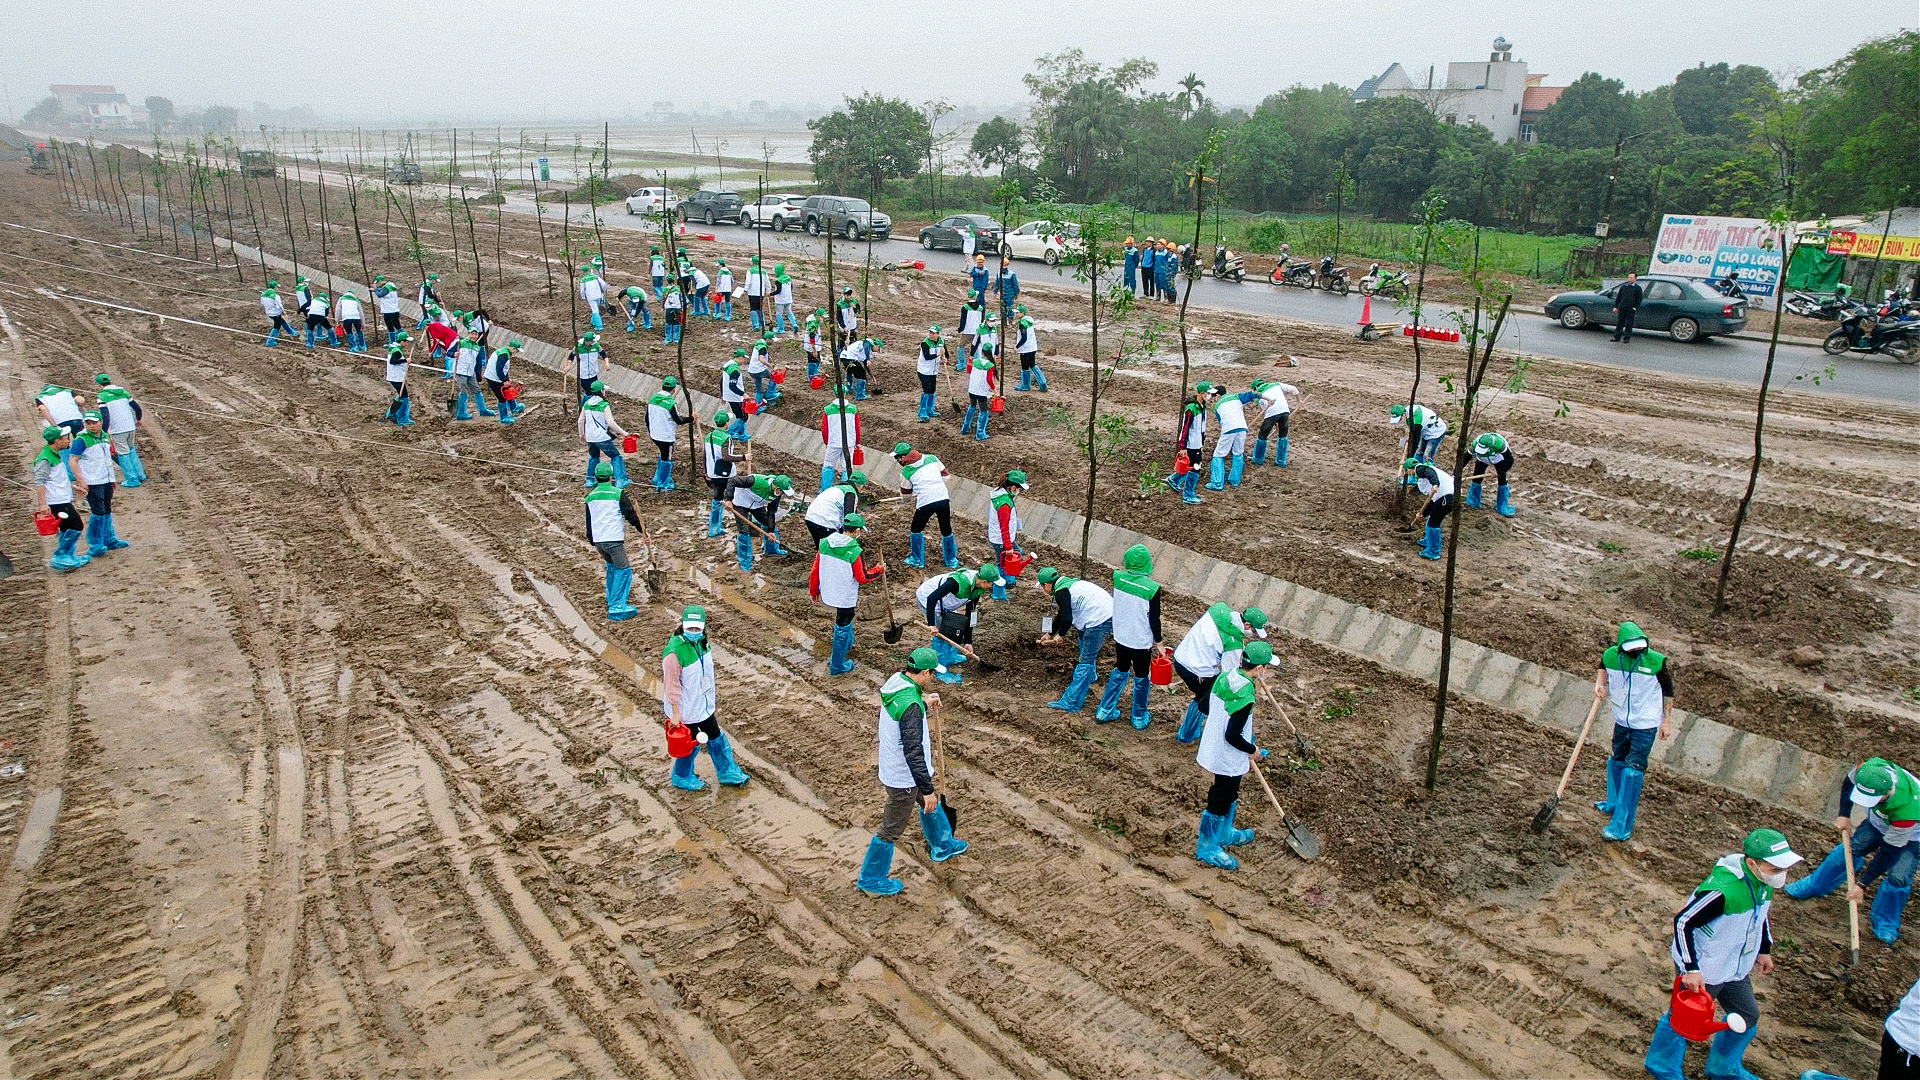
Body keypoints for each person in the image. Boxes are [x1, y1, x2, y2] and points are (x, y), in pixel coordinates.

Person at [1643, 829, 1800, 1080]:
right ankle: (1661, 1066)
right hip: (1706, 968)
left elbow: (1759, 916)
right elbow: (1683, 922)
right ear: (1752, 863)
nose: (1782, 874)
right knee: (1684, 1018)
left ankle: (1723, 1068)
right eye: (1775, 868)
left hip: (1735, 966)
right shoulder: (1723, 891)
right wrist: (1691, 969)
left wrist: (1764, 949)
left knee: (1747, 1015)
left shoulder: (1762, 883)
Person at [857, 647, 966, 895]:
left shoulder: (897, 682)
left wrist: (924, 703)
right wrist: (927, 789)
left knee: (930, 804)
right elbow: (913, 751)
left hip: (899, 768)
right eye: (932, 673)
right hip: (903, 777)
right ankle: (871, 879)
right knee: (891, 829)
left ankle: (942, 844)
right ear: (925, 672)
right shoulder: (911, 706)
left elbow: (906, 714)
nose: (932, 678)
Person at [1785, 757, 1918, 944]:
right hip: (1878, 822)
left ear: (1887, 792)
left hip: (1912, 835)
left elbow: (1889, 853)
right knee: (1853, 848)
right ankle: (1815, 885)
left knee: (1899, 876)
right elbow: (1848, 783)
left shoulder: (1907, 809)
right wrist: (1844, 814)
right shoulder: (1867, 771)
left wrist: (1862, 885)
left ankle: (1885, 922)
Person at [1194, 640, 1280, 869]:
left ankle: (1224, 833)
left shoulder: (1226, 676)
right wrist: (1252, 750)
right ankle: (1207, 847)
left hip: (1214, 746)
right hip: (1227, 755)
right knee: (1220, 798)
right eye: (1266, 667)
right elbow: (1232, 735)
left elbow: (1204, 706)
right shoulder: (1245, 695)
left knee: (1230, 792)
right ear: (1259, 669)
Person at [1591, 620, 1675, 842]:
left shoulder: (1656, 661)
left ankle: (1622, 825)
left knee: (1633, 769)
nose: (1636, 651)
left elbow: (1668, 691)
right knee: (1617, 760)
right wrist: (1600, 683)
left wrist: (1666, 721)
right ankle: (1613, 803)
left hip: (1645, 724)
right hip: (1622, 719)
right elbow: (1602, 665)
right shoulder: (1611, 655)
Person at [660, 605, 751, 790]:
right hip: (685, 709)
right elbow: (671, 685)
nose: (694, 632)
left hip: (703, 703)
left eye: (697, 628)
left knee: (715, 735)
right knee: (689, 742)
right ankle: (681, 776)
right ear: (683, 625)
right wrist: (676, 713)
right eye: (690, 628)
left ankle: (726, 771)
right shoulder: (674, 652)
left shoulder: (703, 642)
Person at [1094, 544, 1165, 729]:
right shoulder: (1152, 588)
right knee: (1141, 676)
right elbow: (1154, 618)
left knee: (1121, 668)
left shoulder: (1118, 578)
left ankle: (1104, 710)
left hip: (1121, 636)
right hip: (1140, 641)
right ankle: (1139, 717)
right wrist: (1158, 641)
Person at [1173, 603, 1267, 743]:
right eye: (1254, 631)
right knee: (1211, 701)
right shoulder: (1233, 644)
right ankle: (1188, 735)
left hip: (1181, 659)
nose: (1253, 634)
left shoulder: (1218, 609)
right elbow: (1231, 675)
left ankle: (1186, 734)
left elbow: (1228, 632)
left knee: (1201, 696)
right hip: (1198, 672)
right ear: (1247, 625)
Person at [812, 513, 887, 676]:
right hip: (845, 595)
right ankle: (837, 665)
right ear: (857, 530)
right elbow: (862, 577)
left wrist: (814, 589)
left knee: (843, 622)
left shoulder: (825, 543)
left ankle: (847, 644)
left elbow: (815, 569)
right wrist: (879, 570)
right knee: (843, 623)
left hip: (829, 590)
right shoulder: (854, 550)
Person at [1038, 566, 1115, 712]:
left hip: (1099, 618)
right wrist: (1049, 633)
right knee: (1083, 638)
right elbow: (1062, 614)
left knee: (1086, 659)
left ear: (1047, 584)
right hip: (1102, 611)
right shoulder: (1066, 584)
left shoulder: (1061, 592)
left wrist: (1059, 636)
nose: (1043, 590)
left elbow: (1067, 618)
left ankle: (1072, 702)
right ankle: (1091, 675)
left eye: (1042, 587)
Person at [916, 563, 1001, 685]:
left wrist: (968, 641)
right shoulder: (956, 582)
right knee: (943, 636)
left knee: (955, 628)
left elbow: (970, 613)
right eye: (992, 583)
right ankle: (939, 668)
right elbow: (931, 598)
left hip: (945, 603)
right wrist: (932, 624)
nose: (992, 586)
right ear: (984, 581)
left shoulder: (978, 588)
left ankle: (950, 656)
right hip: (928, 600)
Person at [584, 462, 642, 620]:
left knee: (612, 567)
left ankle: (611, 598)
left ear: (595, 478)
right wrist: (642, 530)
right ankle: (616, 607)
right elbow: (630, 514)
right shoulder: (618, 493)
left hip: (599, 541)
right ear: (611, 477)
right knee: (623, 570)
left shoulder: (590, 497)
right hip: (613, 540)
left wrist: (592, 539)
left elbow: (589, 521)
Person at [33, 426, 89, 572]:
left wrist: (73, 487)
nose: (68, 440)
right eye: (65, 438)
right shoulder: (45, 458)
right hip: (57, 502)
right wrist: (43, 504)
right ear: (57, 441)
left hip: (62, 499)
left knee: (66, 528)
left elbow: (56, 478)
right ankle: (61, 556)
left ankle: (69, 556)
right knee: (76, 525)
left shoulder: (53, 454)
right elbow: (40, 482)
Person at [895, 443, 958, 569]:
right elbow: (946, 476)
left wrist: (911, 495)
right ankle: (951, 560)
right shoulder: (932, 458)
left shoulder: (906, 472)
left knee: (916, 529)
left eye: (897, 459)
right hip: (943, 497)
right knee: (946, 528)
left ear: (903, 458)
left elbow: (906, 495)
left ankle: (917, 559)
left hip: (926, 501)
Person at [73, 412, 127, 556]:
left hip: (105, 480)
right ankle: (95, 544)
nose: (92, 426)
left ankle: (109, 539)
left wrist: (112, 479)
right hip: (93, 481)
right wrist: (81, 480)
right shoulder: (81, 440)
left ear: (101, 422)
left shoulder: (104, 436)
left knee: (107, 510)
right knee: (98, 512)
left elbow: (107, 459)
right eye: (88, 423)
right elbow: (73, 460)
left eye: (94, 422)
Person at [725, 473, 792, 571]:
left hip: (757, 505)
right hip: (740, 503)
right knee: (743, 530)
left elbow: (771, 512)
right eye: (782, 491)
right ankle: (744, 561)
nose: (782, 494)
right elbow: (732, 480)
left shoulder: (776, 494)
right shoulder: (755, 481)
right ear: (776, 487)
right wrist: (729, 500)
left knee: (768, 524)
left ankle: (771, 550)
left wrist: (771, 530)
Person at [94, 373, 147, 487]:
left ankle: (132, 480)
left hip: (117, 429)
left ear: (99, 385)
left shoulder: (102, 396)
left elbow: (105, 416)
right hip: (130, 426)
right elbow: (137, 408)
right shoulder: (123, 392)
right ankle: (140, 475)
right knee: (131, 449)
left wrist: (104, 430)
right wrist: (138, 419)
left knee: (123, 453)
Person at [984, 469, 1028, 600]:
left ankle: (1009, 581)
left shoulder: (1002, 494)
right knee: (1003, 565)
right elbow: (1004, 527)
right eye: (1019, 489)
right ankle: (999, 592)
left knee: (1017, 552)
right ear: (1013, 487)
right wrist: (1008, 547)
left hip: (1001, 537)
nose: (1019, 491)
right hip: (1001, 539)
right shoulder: (1004, 503)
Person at [577, 380, 630, 488]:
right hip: (601, 437)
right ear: (601, 391)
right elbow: (610, 423)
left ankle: (589, 480)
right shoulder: (604, 405)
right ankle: (620, 480)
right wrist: (624, 433)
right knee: (615, 456)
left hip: (590, 437)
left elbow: (580, 421)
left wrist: (581, 435)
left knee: (594, 457)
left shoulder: (587, 404)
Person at [1404, 456, 1456, 561]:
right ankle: (1428, 540)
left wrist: (1435, 484)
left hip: (1447, 498)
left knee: (1434, 523)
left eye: (1406, 471)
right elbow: (1432, 501)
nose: (1407, 473)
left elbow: (1429, 472)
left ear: (1409, 469)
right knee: (1431, 517)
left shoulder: (1420, 469)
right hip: (1447, 497)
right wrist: (1423, 514)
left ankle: (1433, 551)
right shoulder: (1422, 476)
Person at [702, 410, 743, 538]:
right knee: (735, 497)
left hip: (713, 472)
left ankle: (713, 528)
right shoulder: (726, 438)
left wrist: (705, 470)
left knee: (717, 499)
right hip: (726, 474)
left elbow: (705, 454)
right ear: (726, 423)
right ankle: (743, 526)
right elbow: (727, 457)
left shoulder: (709, 436)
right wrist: (744, 457)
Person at [1169, 382, 1212, 505]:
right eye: (1208, 393)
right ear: (1202, 393)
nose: (1210, 396)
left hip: (1197, 444)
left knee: (1193, 466)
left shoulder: (1202, 407)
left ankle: (1174, 480)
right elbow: (1185, 428)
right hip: (1191, 445)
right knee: (1195, 468)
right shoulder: (1191, 409)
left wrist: (1201, 443)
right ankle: (1188, 495)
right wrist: (1182, 447)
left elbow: (1201, 428)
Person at [644, 377, 688, 493]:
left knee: (663, 454)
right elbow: (678, 420)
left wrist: (651, 430)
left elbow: (646, 418)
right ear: (674, 389)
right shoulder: (671, 403)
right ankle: (662, 484)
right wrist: (691, 418)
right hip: (666, 437)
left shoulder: (653, 398)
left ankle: (657, 478)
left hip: (654, 434)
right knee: (667, 458)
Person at [1205, 384, 1251, 491]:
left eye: (1213, 396)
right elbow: (1251, 395)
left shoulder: (1217, 406)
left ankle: (1217, 483)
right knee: (1238, 453)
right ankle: (1235, 480)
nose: (1213, 399)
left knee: (1218, 454)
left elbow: (1221, 422)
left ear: (1217, 395)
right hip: (1242, 428)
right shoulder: (1236, 396)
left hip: (1229, 430)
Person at [804, 470, 867, 546]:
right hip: (825, 522)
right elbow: (849, 518)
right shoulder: (851, 493)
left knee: (822, 547)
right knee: (833, 548)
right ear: (861, 486)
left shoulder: (837, 487)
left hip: (810, 517)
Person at [1463, 432, 1517, 517]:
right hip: (1482, 459)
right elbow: (1465, 458)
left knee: (1502, 479)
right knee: (1477, 477)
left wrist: (1500, 472)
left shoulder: (1500, 444)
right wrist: (1456, 472)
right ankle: (1473, 501)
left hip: (1498, 459)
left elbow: (1510, 460)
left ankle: (1501, 506)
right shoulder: (1474, 445)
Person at [1249, 379, 1297, 467]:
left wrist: (1274, 423)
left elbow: (1266, 410)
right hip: (1285, 411)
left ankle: (1258, 459)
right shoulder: (1276, 384)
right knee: (1283, 436)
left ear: (1255, 388)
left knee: (1262, 436)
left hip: (1271, 413)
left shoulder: (1258, 396)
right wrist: (1299, 401)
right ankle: (1281, 461)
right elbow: (1294, 389)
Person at [819, 387, 860, 491]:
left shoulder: (828, 409)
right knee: (847, 467)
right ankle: (845, 490)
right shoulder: (853, 409)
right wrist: (857, 441)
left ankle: (825, 489)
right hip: (849, 442)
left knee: (828, 465)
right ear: (845, 394)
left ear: (834, 393)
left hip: (833, 442)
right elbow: (857, 426)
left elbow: (824, 428)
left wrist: (826, 442)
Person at [960, 339, 996, 443]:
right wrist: (994, 390)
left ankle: (965, 428)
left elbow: (969, 370)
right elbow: (989, 380)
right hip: (981, 391)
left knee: (972, 407)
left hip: (972, 389)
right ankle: (980, 433)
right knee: (983, 411)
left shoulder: (975, 361)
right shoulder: (990, 365)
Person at [451, 330, 491, 420]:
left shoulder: (477, 347)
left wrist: (479, 374)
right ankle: (461, 413)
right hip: (460, 371)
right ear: (468, 334)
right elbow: (449, 352)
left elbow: (478, 362)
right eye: (472, 334)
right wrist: (454, 354)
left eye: (476, 334)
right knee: (463, 391)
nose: (474, 336)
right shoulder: (460, 343)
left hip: (470, 372)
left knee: (477, 390)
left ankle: (482, 410)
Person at [482, 338, 522, 424]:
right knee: (501, 397)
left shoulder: (505, 352)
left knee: (507, 391)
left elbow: (504, 369)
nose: (516, 352)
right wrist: (504, 381)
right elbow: (499, 369)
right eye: (516, 350)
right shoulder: (504, 355)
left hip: (497, 376)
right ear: (512, 348)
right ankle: (504, 417)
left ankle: (513, 407)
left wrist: (506, 379)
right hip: (493, 378)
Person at [383, 332, 415, 427]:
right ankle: (402, 418)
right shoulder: (396, 351)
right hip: (396, 377)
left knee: (400, 396)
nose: (407, 344)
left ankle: (391, 413)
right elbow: (393, 361)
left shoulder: (394, 348)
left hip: (394, 377)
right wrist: (405, 360)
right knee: (404, 397)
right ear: (401, 341)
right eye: (406, 342)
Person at [915, 326, 944, 422]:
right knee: (927, 390)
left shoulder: (941, 342)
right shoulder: (925, 343)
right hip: (924, 370)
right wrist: (938, 354)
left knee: (932, 390)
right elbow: (927, 356)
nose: (931, 335)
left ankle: (929, 409)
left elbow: (944, 353)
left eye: (933, 333)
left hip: (933, 371)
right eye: (930, 333)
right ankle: (922, 412)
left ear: (938, 334)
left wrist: (944, 358)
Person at [1013, 314, 1049, 391]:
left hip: (1026, 349)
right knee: (1032, 364)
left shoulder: (1022, 323)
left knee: (1025, 366)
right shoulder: (1029, 321)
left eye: (1018, 312)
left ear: (1022, 313)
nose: (1016, 314)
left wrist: (1017, 346)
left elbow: (1024, 337)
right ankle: (1042, 383)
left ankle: (1026, 385)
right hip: (1032, 347)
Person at [720, 351, 750, 441]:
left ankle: (741, 435)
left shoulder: (727, 365)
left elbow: (722, 380)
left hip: (728, 395)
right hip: (735, 397)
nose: (744, 361)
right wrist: (743, 394)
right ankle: (730, 431)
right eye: (744, 358)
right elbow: (732, 386)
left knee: (739, 415)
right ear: (740, 357)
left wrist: (722, 394)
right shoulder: (734, 370)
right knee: (744, 417)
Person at [956, 289, 986, 371]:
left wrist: (960, 329)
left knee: (960, 346)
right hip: (977, 331)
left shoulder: (965, 307)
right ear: (975, 296)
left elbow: (963, 320)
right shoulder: (981, 308)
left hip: (967, 331)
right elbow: (982, 320)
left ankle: (961, 364)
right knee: (975, 347)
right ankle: (975, 364)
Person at [260, 279, 295, 347]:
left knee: (282, 321)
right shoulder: (276, 296)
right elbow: (279, 305)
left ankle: (292, 332)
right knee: (277, 326)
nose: (278, 289)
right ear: (275, 287)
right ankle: (269, 341)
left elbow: (262, 303)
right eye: (277, 287)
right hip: (275, 313)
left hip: (269, 312)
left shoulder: (263, 294)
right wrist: (284, 312)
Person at [747, 334, 779, 407]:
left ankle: (758, 405)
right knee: (774, 377)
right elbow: (761, 359)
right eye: (772, 340)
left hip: (752, 370)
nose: (772, 342)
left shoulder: (759, 343)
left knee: (758, 388)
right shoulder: (763, 348)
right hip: (759, 370)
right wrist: (771, 367)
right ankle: (770, 394)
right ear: (767, 339)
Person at [570, 331, 605, 399]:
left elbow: (604, 354)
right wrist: (568, 366)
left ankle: (593, 400)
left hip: (593, 373)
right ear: (588, 341)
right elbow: (571, 356)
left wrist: (606, 363)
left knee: (595, 390)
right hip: (584, 374)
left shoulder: (596, 346)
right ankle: (585, 402)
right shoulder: (578, 347)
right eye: (593, 341)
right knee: (588, 391)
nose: (594, 342)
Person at [1612, 272, 1644, 343]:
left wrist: (1635, 307)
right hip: (1622, 307)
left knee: (1629, 323)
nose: (1629, 279)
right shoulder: (1623, 287)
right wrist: (1616, 306)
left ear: (1635, 279)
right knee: (1620, 323)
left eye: (1631, 278)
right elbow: (1618, 297)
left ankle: (1627, 337)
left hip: (1631, 308)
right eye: (1629, 277)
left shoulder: (1638, 288)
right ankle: (1617, 336)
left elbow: (1639, 299)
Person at [372, 275, 403, 344]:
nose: (377, 284)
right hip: (394, 310)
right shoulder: (391, 287)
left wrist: (375, 288)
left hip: (388, 311)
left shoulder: (387, 287)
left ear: (380, 281)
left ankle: (392, 342)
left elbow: (380, 295)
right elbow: (382, 291)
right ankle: (402, 338)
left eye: (377, 283)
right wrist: (375, 290)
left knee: (390, 327)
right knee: (397, 325)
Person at [424, 306, 457, 371]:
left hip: (452, 340)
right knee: (451, 355)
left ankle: (450, 372)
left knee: (449, 357)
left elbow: (442, 331)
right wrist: (431, 351)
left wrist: (438, 338)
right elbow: (435, 342)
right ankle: (451, 371)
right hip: (449, 343)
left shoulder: (435, 325)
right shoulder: (431, 331)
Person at [335, 288, 367, 353]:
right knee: (359, 331)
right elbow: (361, 312)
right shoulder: (356, 300)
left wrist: (337, 320)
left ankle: (353, 347)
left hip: (346, 317)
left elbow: (338, 309)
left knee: (349, 332)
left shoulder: (341, 299)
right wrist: (363, 323)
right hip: (356, 317)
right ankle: (362, 346)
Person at [994, 256, 1020, 328]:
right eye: (1003, 265)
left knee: (1010, 309)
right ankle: (1004, 323)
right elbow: (996, 284)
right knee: (1002, 309)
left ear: (1007, 265)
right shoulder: (999, 274)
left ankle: (1010, 322)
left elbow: (1015, 285)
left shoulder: (1011, 274)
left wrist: (1016, 293)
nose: (1004, 267)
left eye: (1005, 265)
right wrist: (995, 292)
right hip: (1002, 295)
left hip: (1010, 295)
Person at [743, 255, 768, 332]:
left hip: (752, 292)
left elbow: (748, 282)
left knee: (753, 308)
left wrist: (745, 290)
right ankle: (762, 323)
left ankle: (755, 325)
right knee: (759, 308)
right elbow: (767, 282)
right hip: (761, 293)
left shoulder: (750, 270)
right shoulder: (763, 271)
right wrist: (768, 290)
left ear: (753, 262)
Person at [772, 264, 796, 334]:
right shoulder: (788, 278)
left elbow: (778, 291)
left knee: (779, 314)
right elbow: (791, 287)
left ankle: (781, 328)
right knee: (789, 312)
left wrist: (770, 294)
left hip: (780, 300)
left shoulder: (778, 280)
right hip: (788, 299)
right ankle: (794, 324)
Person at [834, 287, 860, 351]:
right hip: (843, 327)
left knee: (852, 344)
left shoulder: (854, 301)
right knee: (841, 344)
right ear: (844, 294)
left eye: (849, 295)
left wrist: (854, 308)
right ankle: (840, 354)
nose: (848, 296)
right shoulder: (840, 303)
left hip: (852, 326)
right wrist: (844, 326)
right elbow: (839, 317)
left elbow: (858, 311)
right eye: (847, 295)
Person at [803, 312, 824, 381]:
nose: (822, 319)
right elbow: (811, 338)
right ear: (818, 316)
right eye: (822, 317)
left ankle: (810, 376)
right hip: (811, 347)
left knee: (816, 360)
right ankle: (812, 377)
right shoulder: (813, 325)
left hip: (814, 346)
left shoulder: (815, 322)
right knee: (814, 361)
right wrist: (814, 350)